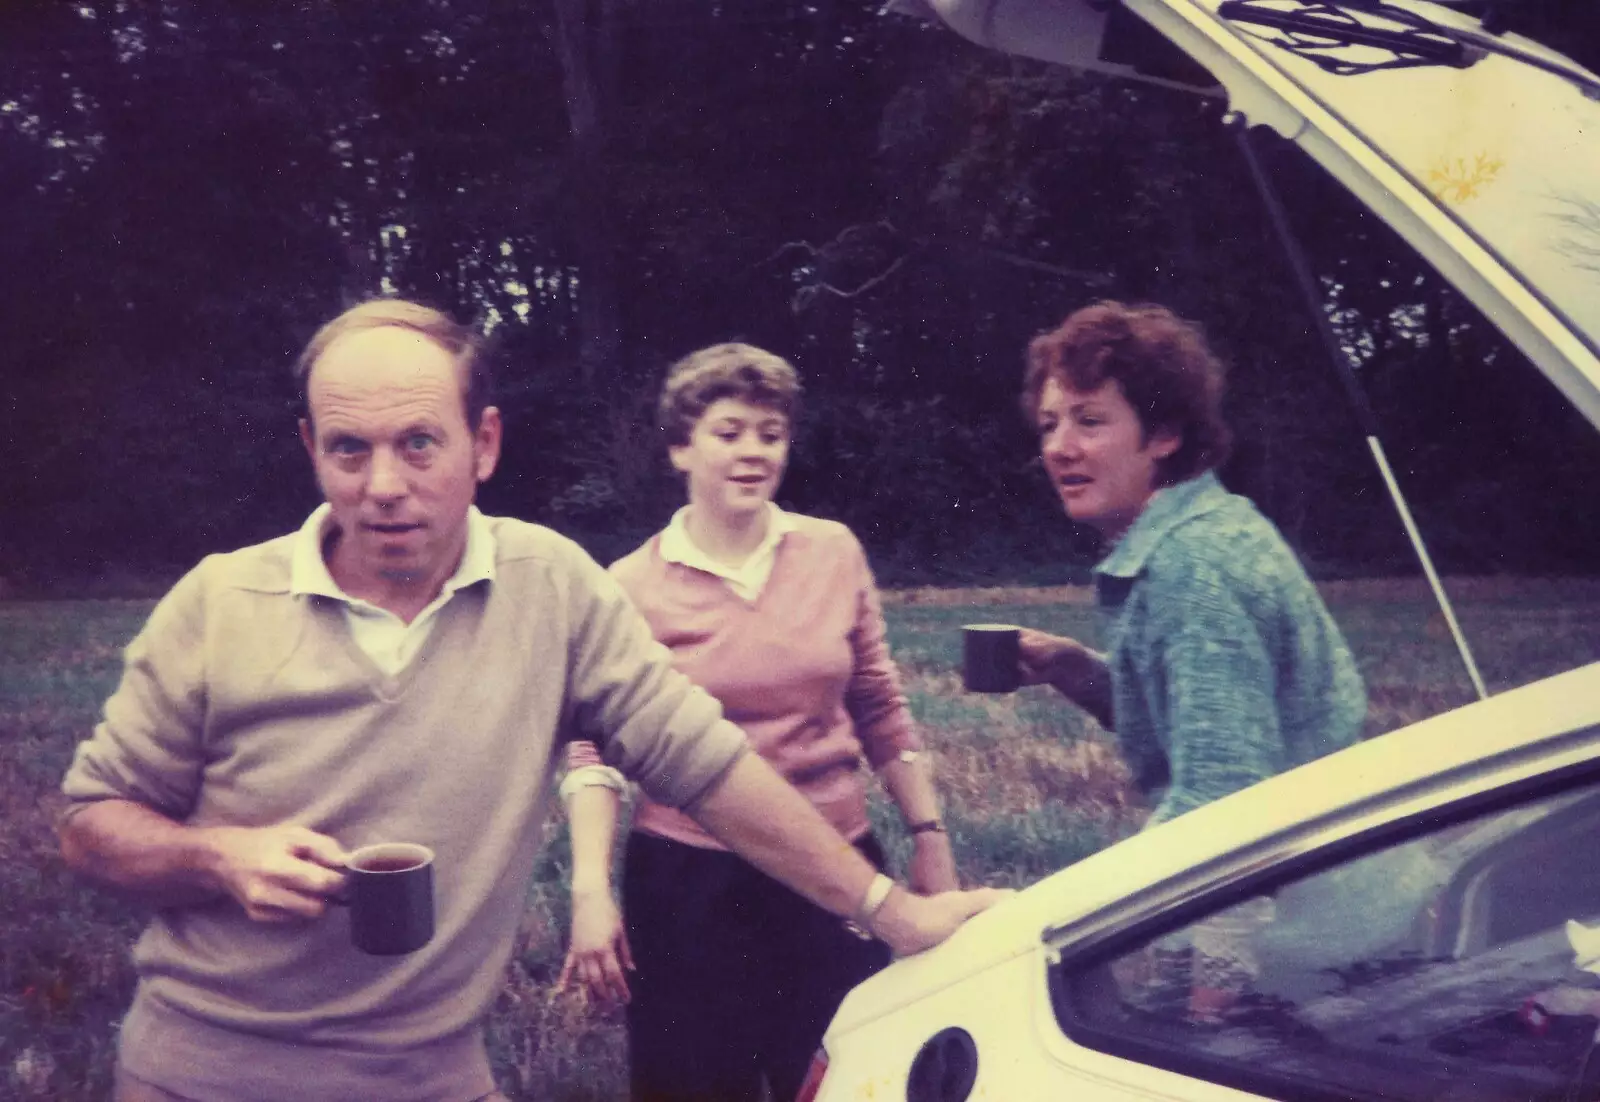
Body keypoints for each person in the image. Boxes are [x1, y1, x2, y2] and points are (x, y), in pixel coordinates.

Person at [56, 300, 1003, 1102]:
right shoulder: (221, 602)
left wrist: (891, 911)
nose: (383, 486)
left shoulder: (549, 586)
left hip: (434, 1078)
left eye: (419, 443)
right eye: (349, 450)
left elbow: (702, 764)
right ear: (311, 448)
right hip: (203, 1078)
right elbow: (90, 825)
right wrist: (217, 857)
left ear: (486, 443)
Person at [556, 342, 960, 1102]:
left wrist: (929, 837)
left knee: (848, 1078)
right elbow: (593, 752)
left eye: (769, 434)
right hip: (689, 886)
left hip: (835, 867)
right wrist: (589, 890)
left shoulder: (833, 552)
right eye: (729, 431)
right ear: (681, 447)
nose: (752, 452)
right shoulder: (629, 585)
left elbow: (879, 702)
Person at [1013, 300, 1366, 1020]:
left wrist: (1208, 1007)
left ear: (1165, 433)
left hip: (1301, 949)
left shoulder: (1192, 567)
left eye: (1089, 419)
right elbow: (1206, 720)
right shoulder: (1199, 531)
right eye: (1050, 424)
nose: (1059, 446)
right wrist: (1075, 669)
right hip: (1308, 915)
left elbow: (1229, 802)